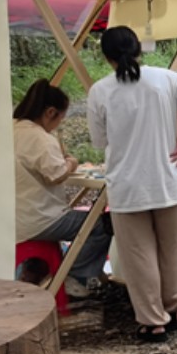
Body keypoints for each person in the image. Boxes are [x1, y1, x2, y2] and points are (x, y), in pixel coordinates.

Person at [87, 27, 177, 342]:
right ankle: (174, 309)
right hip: (169, 180)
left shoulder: (101, 91)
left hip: (127, 186)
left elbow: (98, 141)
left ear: (106, 57)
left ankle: (153, 319)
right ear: (139, 49)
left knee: (139, 253)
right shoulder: (165, 78)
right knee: (171, 248)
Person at [13, 79, 112, 299]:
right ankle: (76, 277)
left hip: (15, 218)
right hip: (40, 219)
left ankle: (34, 274)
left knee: (86, 220)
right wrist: (71, 162)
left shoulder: (11, 129)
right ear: (50, 112)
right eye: (60, 118)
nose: (58, 125)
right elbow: (57, 174)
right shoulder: (39, 137)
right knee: (103, 224)